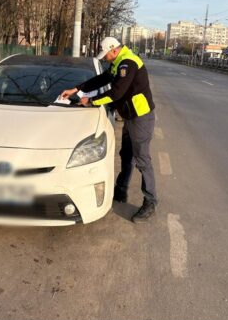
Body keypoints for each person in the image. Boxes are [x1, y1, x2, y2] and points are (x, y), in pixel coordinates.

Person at [60, 37, 157, 223]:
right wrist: (76, 89)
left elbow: (116, 93)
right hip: (130, 115)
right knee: (126, 155)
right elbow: (102, 79)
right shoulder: (118, 63)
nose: (105, 58)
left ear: (114, 50)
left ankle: (150, 201)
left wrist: (91, 101)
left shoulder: (128, 63)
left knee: (142, 159)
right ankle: (121, 190)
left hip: (141, 117)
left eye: (106, 55)